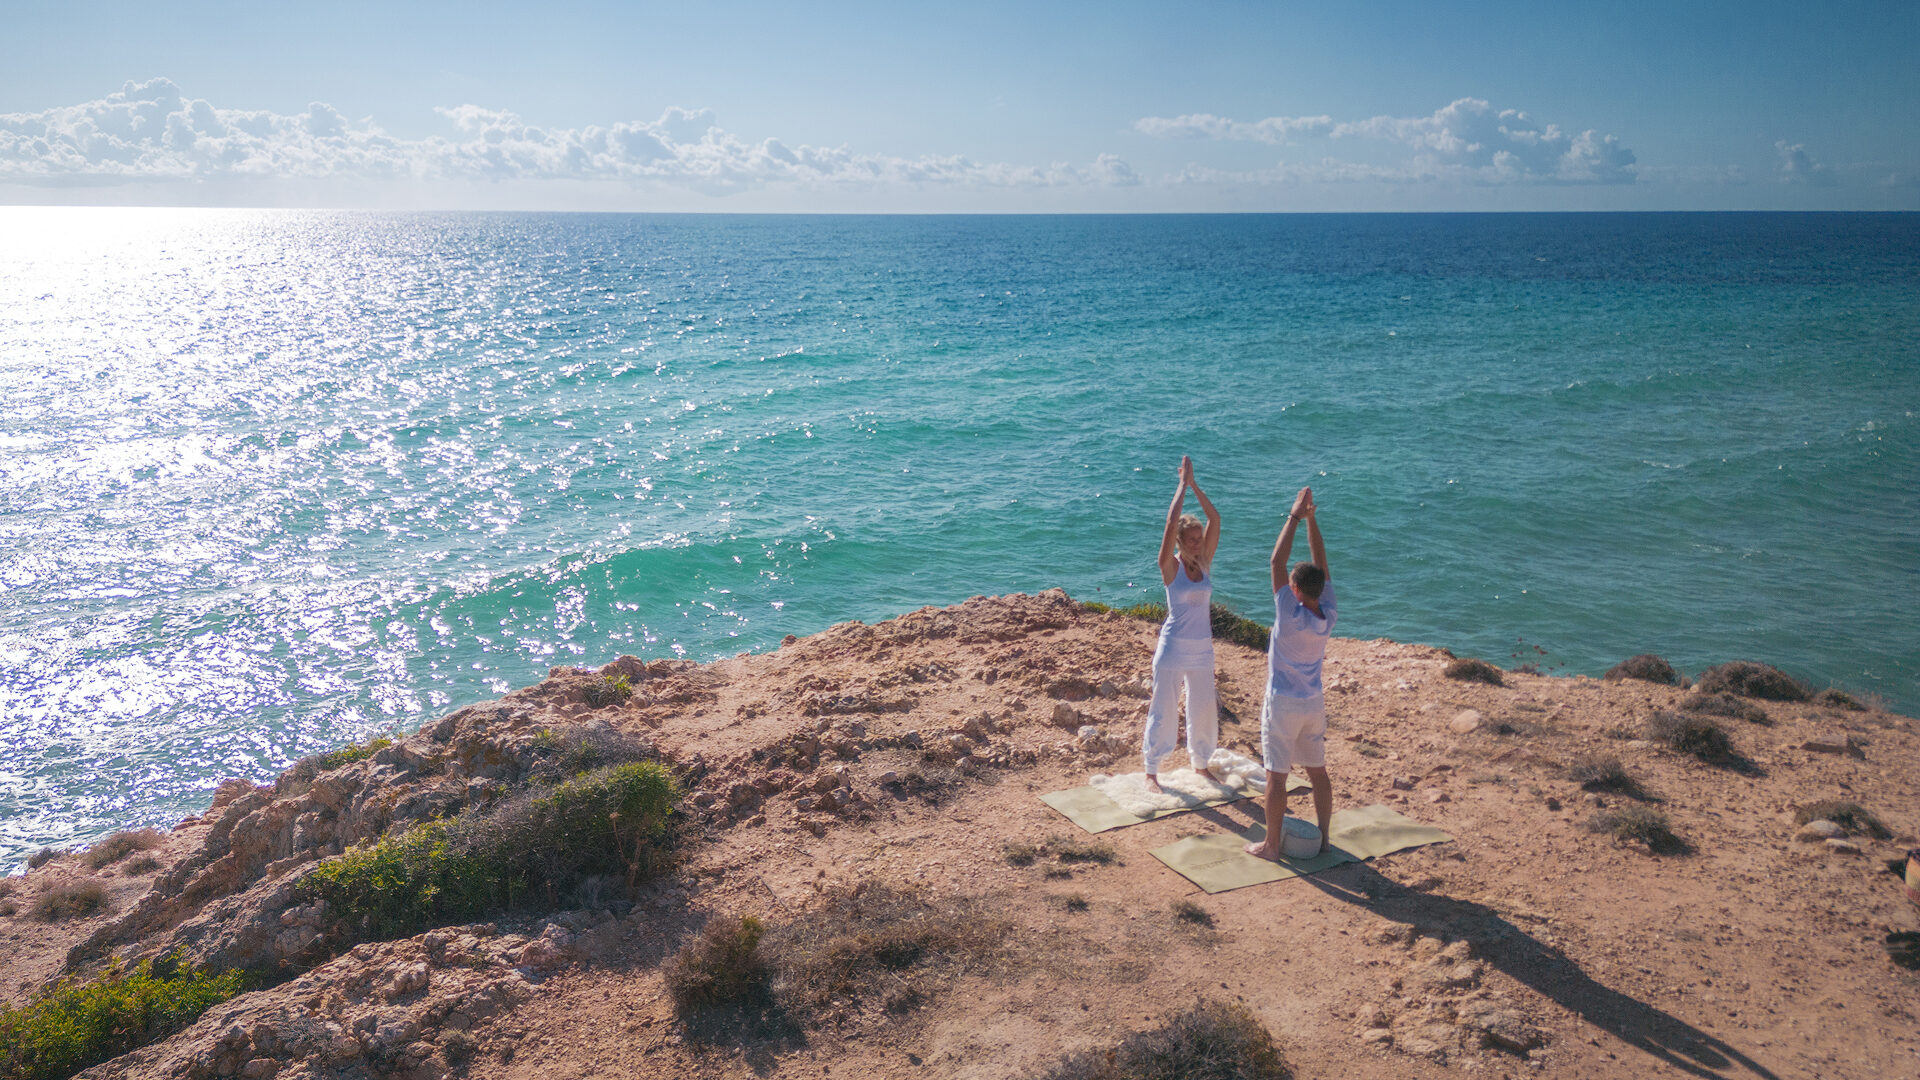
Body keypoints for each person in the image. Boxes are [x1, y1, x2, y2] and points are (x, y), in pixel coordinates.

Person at [1246, 485, 1336, 860]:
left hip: (1283, 704)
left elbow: (1275, 563)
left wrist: (1295, 516)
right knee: (1317, 772)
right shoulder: (1327, 613)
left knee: (1276, 776)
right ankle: (1325, 837)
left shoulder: (1288, 611)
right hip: (1313, 703)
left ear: (1295, 590)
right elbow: (1322, 568)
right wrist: (1313, 520)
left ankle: (1271, 845)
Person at [1141, 455, 1222, 792]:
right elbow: (1170, 521)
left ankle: (1201, 763)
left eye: (1199, 537)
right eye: (1191, 538)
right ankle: (1151, 771)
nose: (1198, 541)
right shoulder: (1169, 566)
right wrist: (1180, 487)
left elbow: (1215, 518)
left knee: (1203, 708)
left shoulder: (1204, 563)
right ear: (1179, 540)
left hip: (1202, 649)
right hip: (1173, 648)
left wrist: (1195, 485)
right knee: (1164, 708)